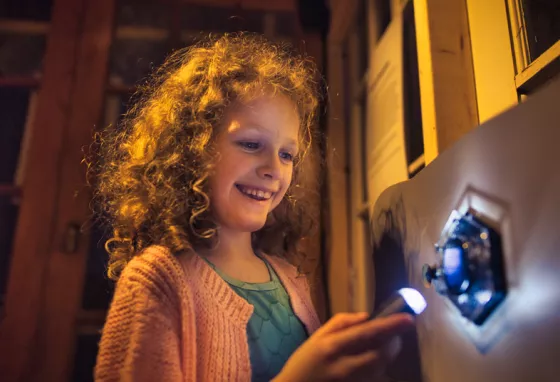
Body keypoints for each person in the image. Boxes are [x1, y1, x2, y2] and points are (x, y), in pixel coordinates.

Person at [93, 33, 414, 382]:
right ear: (191, 150)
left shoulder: (291, 281)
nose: (274, 169)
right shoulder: (159, 279)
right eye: (250, 143)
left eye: (287, 154)